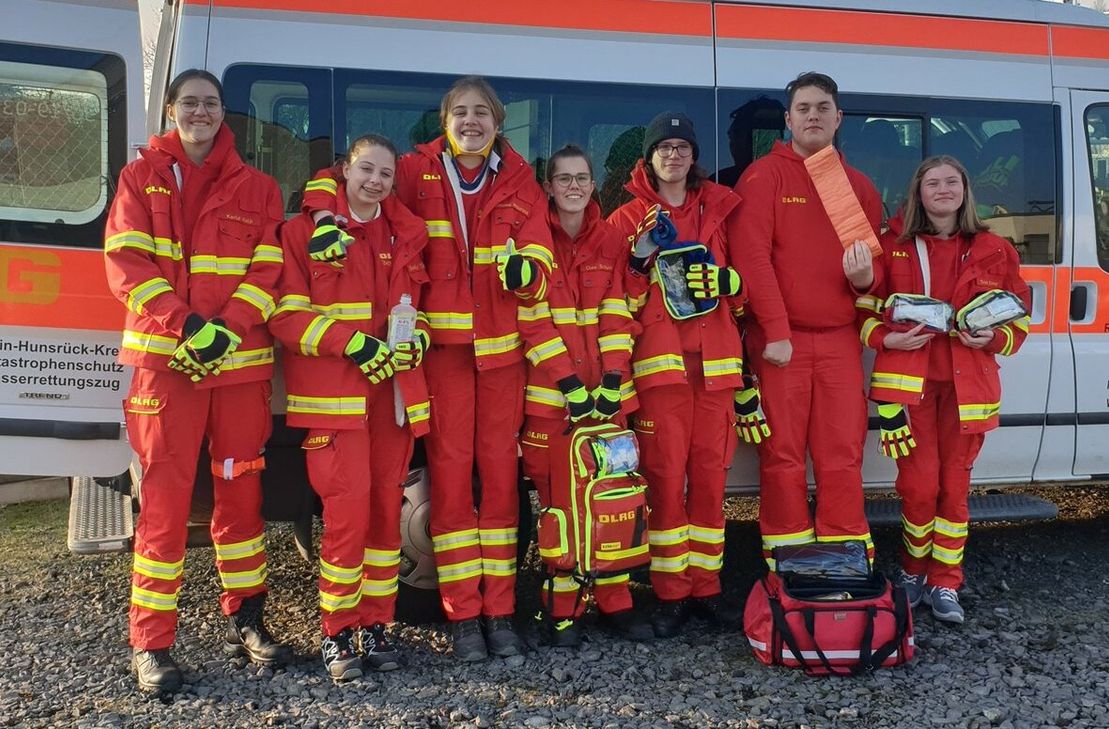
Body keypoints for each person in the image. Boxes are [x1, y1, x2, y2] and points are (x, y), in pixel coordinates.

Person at [300, 76, 557, 661]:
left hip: (500, 355)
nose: (472, 122)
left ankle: (501, 612)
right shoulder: (413, 171)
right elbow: (348, 181)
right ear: (443, 122)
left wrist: (530, 273)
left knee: (500, 485)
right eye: (461, 112)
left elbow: (540, 252)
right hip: (441, 353)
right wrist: (320, 215)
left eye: (483, 113)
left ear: (499, 122)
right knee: (447, 481)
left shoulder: (520, 180)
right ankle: (464, 617)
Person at [104, 69, 291, 693]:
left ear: (223, 112)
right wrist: (188, 326)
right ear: (170, 110)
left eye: (210, 104)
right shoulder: (140, 177)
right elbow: (127, 263)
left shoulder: (259, 186)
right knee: (163, 504)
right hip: (167, 368)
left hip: (236, 371)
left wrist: (227, 330)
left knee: (241, 499)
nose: (201, 113)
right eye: (190, 103)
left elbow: (270, 267)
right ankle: (151, 644)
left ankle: (249, 620)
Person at [270, 133, 432, 679]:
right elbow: (286, 318)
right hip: (334, 403)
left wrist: (418, 339)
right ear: (344, 171)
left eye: (386, 175)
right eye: (367, 170)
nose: (376, 182)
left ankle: (376, 625)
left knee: (387, 520)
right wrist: (352, 342)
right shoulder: (304, 233)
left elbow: (415, 311)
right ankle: (337, 633)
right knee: (346, 519)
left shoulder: (402, 236)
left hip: (392, 400)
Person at [858, 155, 1030, 624]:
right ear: (918, 193)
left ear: (964, 190)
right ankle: (914, 571)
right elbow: (863, 312)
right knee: (917, 487)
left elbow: (1019, 322)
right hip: (908, 389)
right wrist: (884, 337)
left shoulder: (996, 249)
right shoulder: (892, 246)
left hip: (968, 389)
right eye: (932, 182)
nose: (942, 190)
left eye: (951, 182)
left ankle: (945, 582)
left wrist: (992, 337)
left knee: (954, 490)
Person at [731, 71, 882, 571]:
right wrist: (774, 330)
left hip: (839, 341)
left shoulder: (851, 184)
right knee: (784, 458)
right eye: (803, 108)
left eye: (822, 108)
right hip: (782, 343)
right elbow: (753, 261)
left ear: (838, 119)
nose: (813, 115)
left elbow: (870, 276)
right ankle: (792, 565)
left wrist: (864, 281)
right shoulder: (765, 176)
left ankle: (844, 564)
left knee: (842, 456)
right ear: (789, 118)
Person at [608, 112, 746, 638]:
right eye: (663, 147)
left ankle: (705, 591)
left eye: (682, 147)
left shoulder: (723, 210)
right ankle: (669, 594)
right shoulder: (625, 220)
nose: (673, 155)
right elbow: (616, 298)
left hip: (715, 368)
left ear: (694, 157)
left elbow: (748, 285)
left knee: (712, 483)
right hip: (661, 372)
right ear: (649, 158)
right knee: (665, 483)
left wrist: (731, 280)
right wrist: (640, 264)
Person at [518, 144, 651, 646]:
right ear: (548, 187)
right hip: (552, 405)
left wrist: (614, 379)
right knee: (558, 509)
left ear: (594, 185)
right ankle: (562, 610)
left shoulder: (612, 239)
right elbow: (531, 321)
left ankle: (616, 603)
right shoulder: (532, 243)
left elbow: (619, 311)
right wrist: (568, 384)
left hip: (608, 403)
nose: (574, 187)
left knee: (614, 497)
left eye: (582, 178)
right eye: (563, 179)